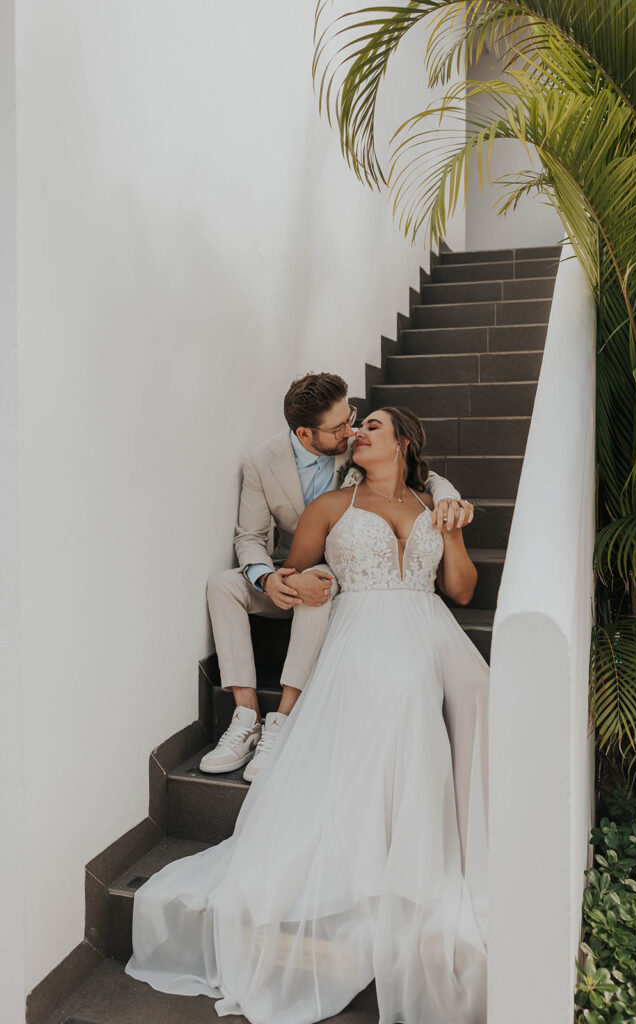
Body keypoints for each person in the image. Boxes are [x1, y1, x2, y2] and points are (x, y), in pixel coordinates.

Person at [126, 406, 489, 1024]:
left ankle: (433, 844)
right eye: (356, 427)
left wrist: (451, 532)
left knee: (476, 689)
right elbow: (293, 577)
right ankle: (383, 854)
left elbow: (461, 591)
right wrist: (301, 582)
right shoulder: (331, 508)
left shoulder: (435, 506)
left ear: (401, 441)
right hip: (362, 629)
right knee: (397, 686)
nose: (358, 433)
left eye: (371, 425)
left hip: (427, 624)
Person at [201, 372, 469, 781]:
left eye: (354, 418)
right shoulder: (262, 462)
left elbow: (412, 467)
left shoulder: (357, 448)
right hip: (288, 566)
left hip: (339, 568)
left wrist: (446, 492)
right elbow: (251, 538)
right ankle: (245, 716)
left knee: (318, 587)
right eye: (341, 427)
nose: (353, 430)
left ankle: (284, 720)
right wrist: (270, 580)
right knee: (222, 585)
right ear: (306, 433)